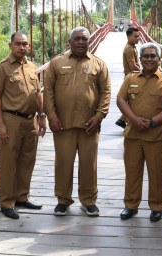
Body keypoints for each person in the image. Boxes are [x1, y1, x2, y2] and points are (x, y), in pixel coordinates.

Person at [44, 26, 112, 217]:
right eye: (77, 39)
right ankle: (63, 200)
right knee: (63, 163)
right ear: (70, 41)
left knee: (89, 164)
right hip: (63, 124)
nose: (81, 42)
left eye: (84, 39)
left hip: (90, 124)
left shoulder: (99, 64)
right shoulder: (57, 63)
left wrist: (99, 116)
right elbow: (47, 91)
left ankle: (88, 200)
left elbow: (106, 92)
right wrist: (51, 116)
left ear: (89, 41)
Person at [116, 42, 162, 222]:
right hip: (133, 134)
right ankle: (130, 205)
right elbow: (121, 99)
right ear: (140, 59)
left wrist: (152, 122)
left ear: (159, 59)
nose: (149, 59)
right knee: (132, 172)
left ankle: (156, 207)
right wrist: (134, 119)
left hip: (156, 135)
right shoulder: (131, 77)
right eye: (146, 56)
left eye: (153, 56)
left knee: (157, 173)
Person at [0, 32, 47, 219]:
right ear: (10, 45)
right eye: (18, 44)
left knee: (27, 160)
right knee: (9, 163)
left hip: (31, 120)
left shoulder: (31, 66)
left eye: (25, 44)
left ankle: (22, 197)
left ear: (28, 46)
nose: (22, 47)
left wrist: (42, 116)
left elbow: (38, 92)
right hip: (11, 120)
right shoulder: (3, 67)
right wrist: (0, 123)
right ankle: (7, 203)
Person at [114, 27, 142, 129]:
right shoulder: (129, 49)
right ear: (128, 37)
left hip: (133, 76)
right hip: (131, 78)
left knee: (133, 99)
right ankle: (123, 120)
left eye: (138, 36)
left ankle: (122, 119)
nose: (138, 38)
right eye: (135, 36)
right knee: (135, 99)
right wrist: (144, 73)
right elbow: (132, 66)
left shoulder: (132, 47)